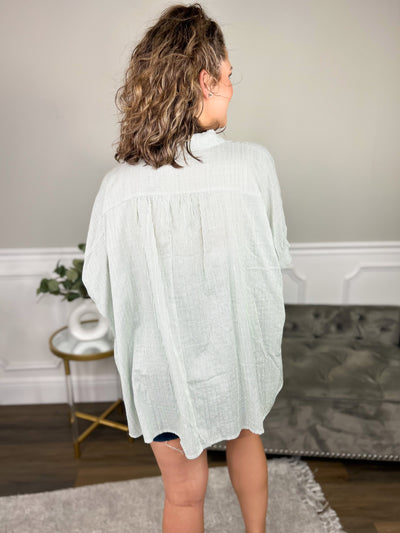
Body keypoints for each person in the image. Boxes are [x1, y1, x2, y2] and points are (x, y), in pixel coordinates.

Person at [82, 3, 292, 533]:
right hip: (236, 353)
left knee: (181, 496)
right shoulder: (253, 166)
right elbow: (273, 258)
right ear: (205, 80)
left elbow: (100, 286)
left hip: (160, 368)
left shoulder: (117, 188)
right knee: (247, 435)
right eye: (228, 76)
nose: (232, 88)